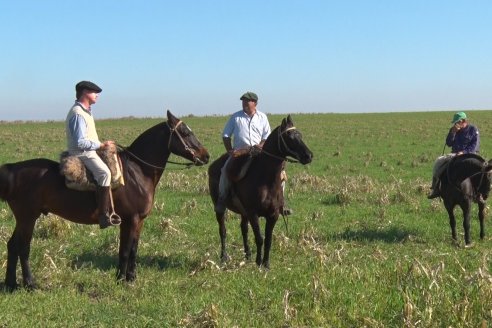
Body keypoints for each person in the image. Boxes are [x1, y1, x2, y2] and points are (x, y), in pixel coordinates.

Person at [215, 91, 292, 215]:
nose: (244, 103)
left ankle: (281, 203)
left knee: (281, 174)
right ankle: (222, 199)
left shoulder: (262, 117)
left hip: (259, 153)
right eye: (243, 101)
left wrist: (260, 146)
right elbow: (226, 135)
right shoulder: (236, 117)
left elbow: (266, 136)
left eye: (247, 101)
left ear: (255, 103)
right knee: (225, 170)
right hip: (240, 153)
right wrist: (230, 151)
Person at [65, 81, 121, 228]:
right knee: (105, 174)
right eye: (94, 92)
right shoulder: (78, 114)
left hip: (89, 150)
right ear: (85, 93)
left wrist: (102, 144)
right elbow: (80, 142)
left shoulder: (85, 111)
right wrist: (101, 145)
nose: (97, 95)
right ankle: (104, 216)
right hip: (83, 153)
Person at [427, 111, 480, 199]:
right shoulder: (453, 130)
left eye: (457, 122)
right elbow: (449, 143)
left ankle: (480, 194)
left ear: (463, 121)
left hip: (471, 155)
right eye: (455, 122)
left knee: (483, 169)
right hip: (455, 154)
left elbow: (475, 145)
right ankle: (435, 188)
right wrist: (453, 133)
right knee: (439, 161)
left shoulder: (473, 129)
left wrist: (464, 152)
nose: (456, 124)